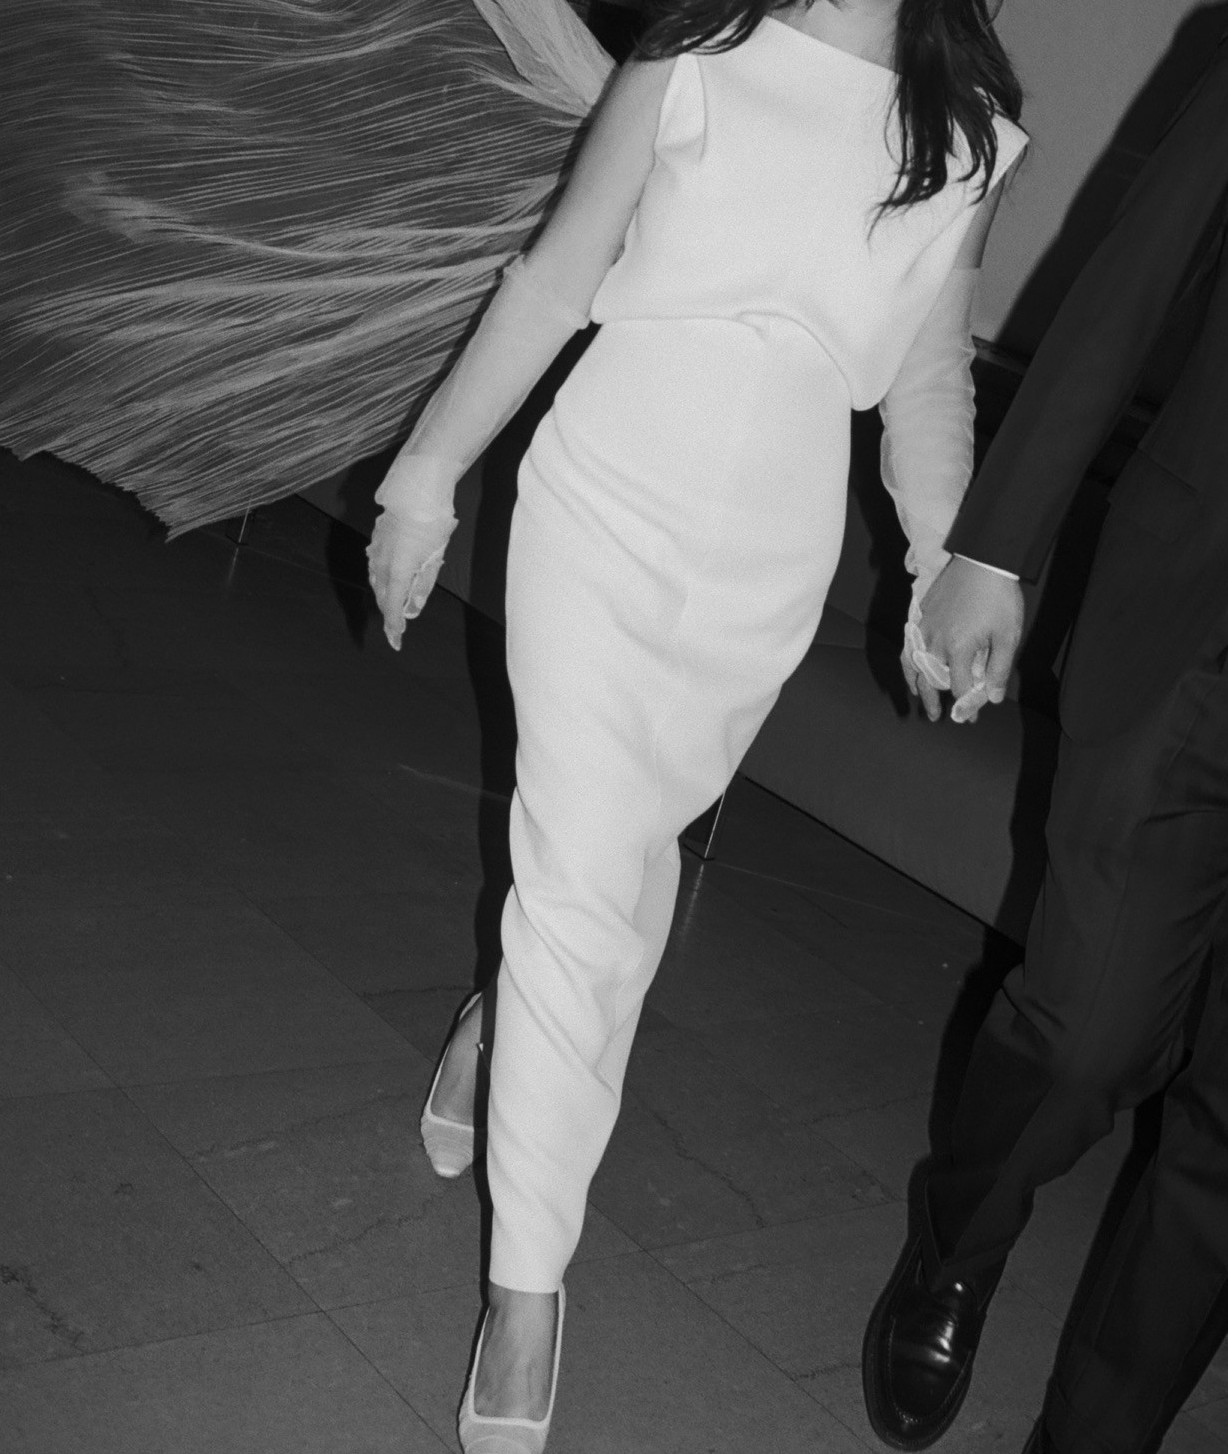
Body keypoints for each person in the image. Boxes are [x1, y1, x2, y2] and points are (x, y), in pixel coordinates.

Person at [366, 1, 1027, 1449]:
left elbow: (927, 378)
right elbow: (556, 279)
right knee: (582, 874)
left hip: (767, 558)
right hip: (604, 495)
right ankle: (528, 1289)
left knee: (620, 866)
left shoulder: (968, 136)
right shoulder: (700, 52)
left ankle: (501, 1022)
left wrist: (941, 566)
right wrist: (426, 477)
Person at [862, 32, 1228, 1454]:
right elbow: (1134, 277)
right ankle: (957, 1237)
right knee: (1085, 1034)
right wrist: (995, 544)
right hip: (1201, 631)